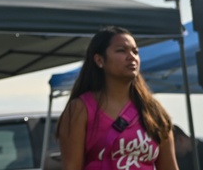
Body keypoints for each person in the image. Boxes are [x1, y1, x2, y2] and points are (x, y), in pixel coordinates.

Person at [57, 26, 179, 170]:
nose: (131, 56)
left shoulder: (154, 112)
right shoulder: (80, 108)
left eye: (135, 51)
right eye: (121, 50)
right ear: (99, 60)